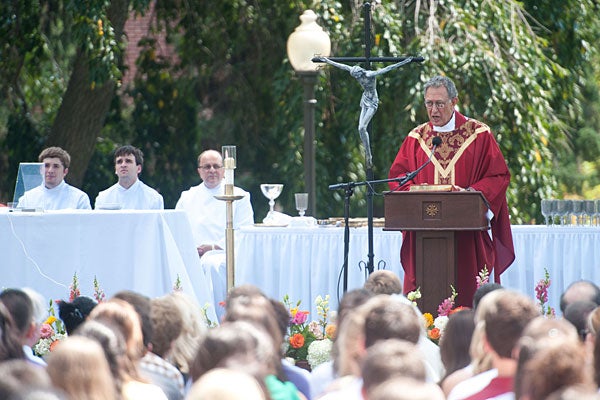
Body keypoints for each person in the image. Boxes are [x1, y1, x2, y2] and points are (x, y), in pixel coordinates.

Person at [388, 75, 514, 306]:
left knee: (466, 292)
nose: (433, 110)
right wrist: (416, 192)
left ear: (454, 102)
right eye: (428, 103)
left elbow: (498, 176)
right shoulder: (416, 138)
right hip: (424, 234)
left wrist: (469, 194)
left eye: (440, 104)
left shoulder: (478, 134)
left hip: (466, 234)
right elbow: (398, 178)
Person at [175, 149, 254, 318]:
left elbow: (244, 231)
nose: (212, 170)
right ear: (199, 171)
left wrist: (212, 247)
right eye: (207, 166)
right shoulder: (187, 197)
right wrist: (191, 249)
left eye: (216, 166)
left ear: (224, 170)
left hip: (225, 254)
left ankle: (216, 318)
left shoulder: (240, 196)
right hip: (193, 254)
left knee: (211, 264)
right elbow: (178, 228)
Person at [318, 57, 415, 168]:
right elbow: (341, 66)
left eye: (357, 76)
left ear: (360, 73)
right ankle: (368, 153)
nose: (356, 78)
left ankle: (369, 155)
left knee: (362, 127)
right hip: (364, 100)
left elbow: (389, 68)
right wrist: (326, 61)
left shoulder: (369, 74)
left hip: (373, 101)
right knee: (360, 128)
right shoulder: (354, 71)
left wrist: (405, 61)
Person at [17, 146, 91, 210]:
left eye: (56, 166)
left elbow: (87, 225)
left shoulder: (79, 198)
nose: (50, 170)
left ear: (65, 171)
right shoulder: (27, 198)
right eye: (46, 166)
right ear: (40, 169)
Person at [95, 145, 164, 210]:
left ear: (139, 168)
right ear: (115, 169)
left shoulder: (154, 198)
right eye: (119, 162)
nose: (123, 165)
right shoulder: (103, 198)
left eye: (128, 161)